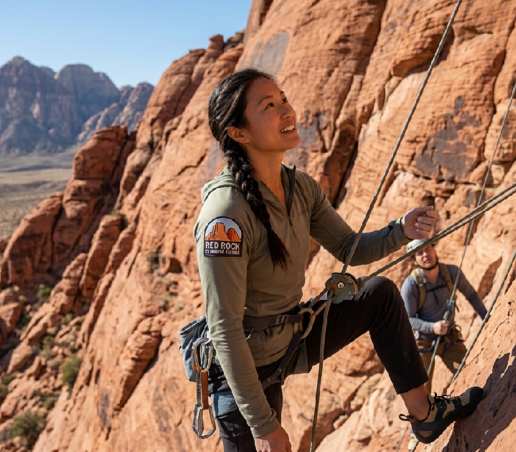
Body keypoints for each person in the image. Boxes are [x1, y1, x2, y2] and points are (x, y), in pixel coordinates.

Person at [195, 68, 483, 452]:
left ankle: (424, 415)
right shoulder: (225, 215)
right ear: (238, 133)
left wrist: (402, 229)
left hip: (289, 337)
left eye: (284, 99)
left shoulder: (299, 186)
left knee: (379, 295)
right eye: (269, 106)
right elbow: (225, 327)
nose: (287, 111)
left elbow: (349, 247)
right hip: (242, 371)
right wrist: (264, 426)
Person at [402, 244, 487, 393]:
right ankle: (428, 416)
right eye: (419, 253)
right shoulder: (411, 285)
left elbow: (471, 295)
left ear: (434, 250)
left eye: (428, 249)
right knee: (422, 392)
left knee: (469, 373)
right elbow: (408, 320)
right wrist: (432, 327)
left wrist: (486, 317)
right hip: (423, 342)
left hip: (449, 337)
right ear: (414, 259)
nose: (425, 255)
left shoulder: (451, 272)